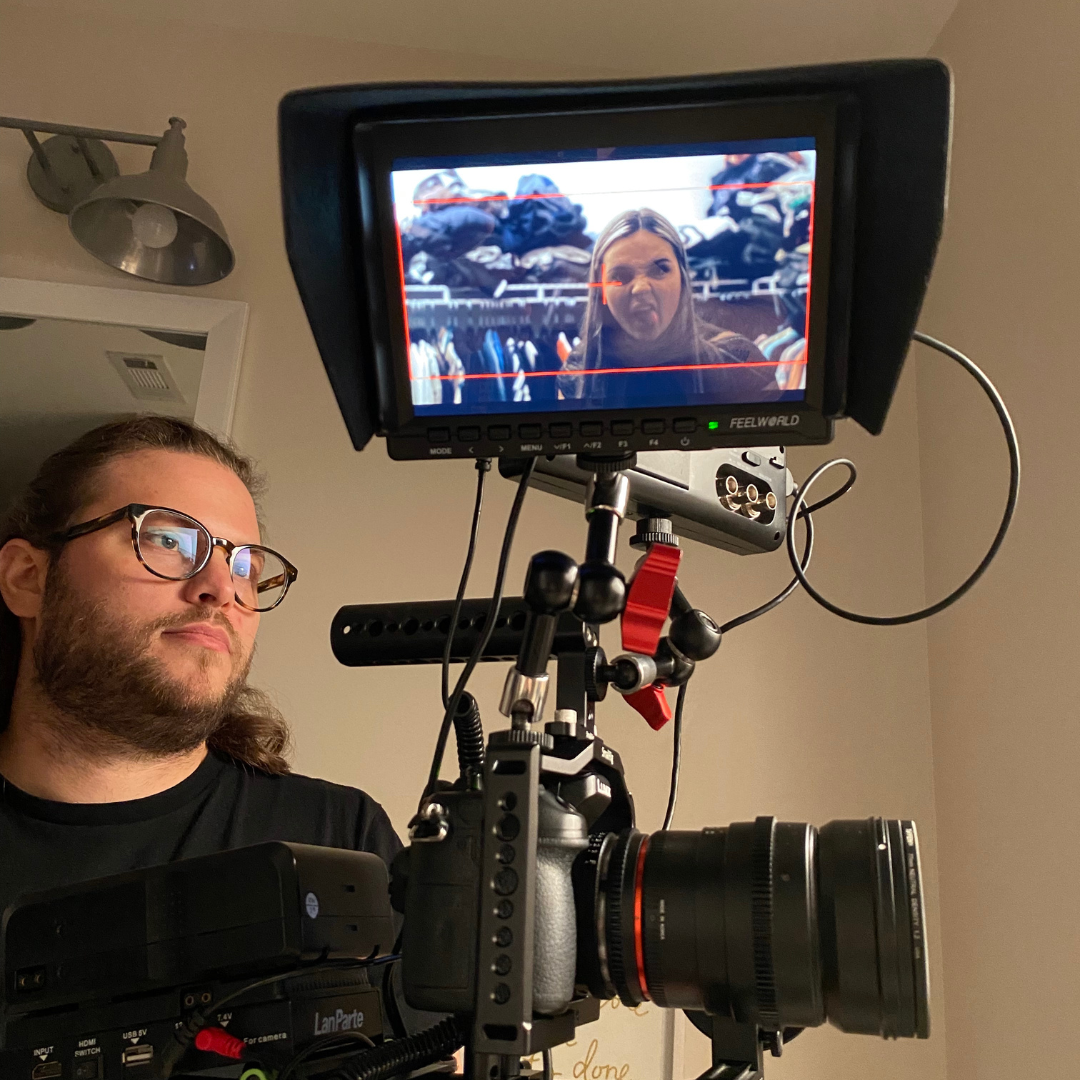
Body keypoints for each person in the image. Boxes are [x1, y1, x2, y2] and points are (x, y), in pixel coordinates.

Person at [0, 416, 400, 921]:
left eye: (245, 569)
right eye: (168, 542)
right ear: (27, 579)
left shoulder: (341, 842)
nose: (222, 589)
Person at [558, 208, 784, 408]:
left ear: (683, 279)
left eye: (660, 270)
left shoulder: (738, 362)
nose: (641, 288)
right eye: (620, 276)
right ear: (601, 291)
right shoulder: (579, 371)